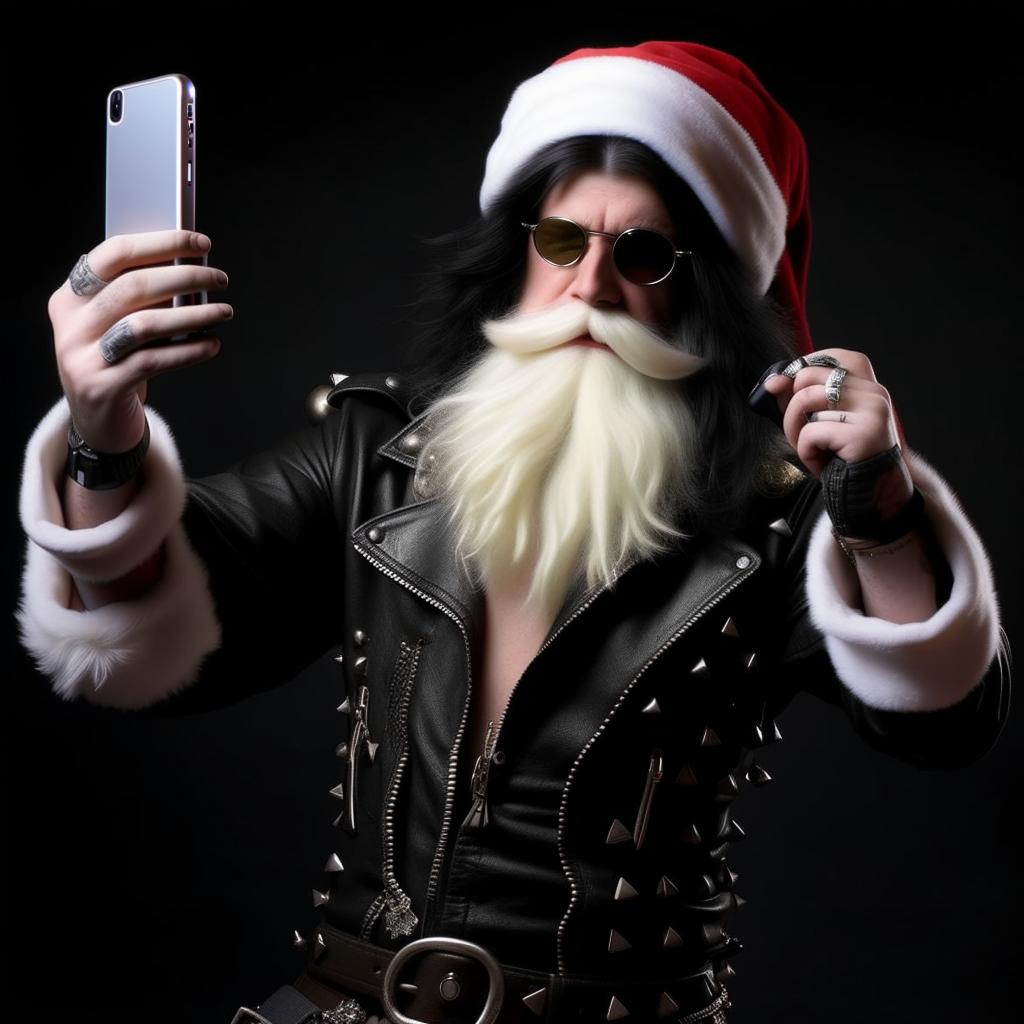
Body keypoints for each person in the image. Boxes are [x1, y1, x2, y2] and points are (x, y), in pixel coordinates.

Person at [16, 40, 1010, 1024]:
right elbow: (151, 627)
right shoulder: (380, 451)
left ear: (703, 287)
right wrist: (105, 437)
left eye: (644, 253)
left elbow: (940, 721)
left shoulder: (779, 509)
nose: (590, 287)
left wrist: (876, 511)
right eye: (562, 241)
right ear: (519, 250)